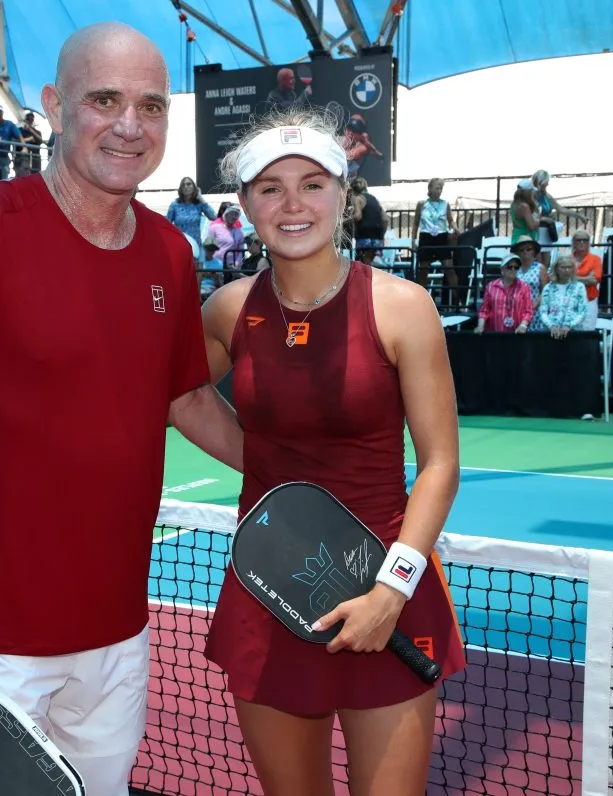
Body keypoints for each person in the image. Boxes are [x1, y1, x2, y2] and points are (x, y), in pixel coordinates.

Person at [0, 22, 243, 796]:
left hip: (119, 633)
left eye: (151, 106)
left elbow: (187, 397)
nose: (130, 126)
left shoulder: (169, 253)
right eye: (105, 100)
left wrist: (294, 474)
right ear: (56, 106)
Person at [200, 107, 465, 796]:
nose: (293, 204)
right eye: (270, 188)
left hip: (388, 593)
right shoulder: (229, 310)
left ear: (344, 196)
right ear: (246, 206)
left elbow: (440, 463)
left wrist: (391, 588)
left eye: (313, 184)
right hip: (267, 594)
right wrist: (268, 473)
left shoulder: (403, 307)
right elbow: (178, 399)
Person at [475, 253, 534, 334]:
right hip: (495, 334)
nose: (513, 269)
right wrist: (480, 326)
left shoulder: (524, 287)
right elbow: (484, 310)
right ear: (502, 269)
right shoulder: (491, 286)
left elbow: (528, 311)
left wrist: (523, 326)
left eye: (516, 267)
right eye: (510, 267)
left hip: (516, 334)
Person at [538, 254, 588, 339]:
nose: (567, 270)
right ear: (556, 269)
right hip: (551, 333)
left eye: (569, 267)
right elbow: (543, 311)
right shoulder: (548, 288)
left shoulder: (579, 287)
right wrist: (551, 326)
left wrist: (569, 325)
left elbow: (583, 312)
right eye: (563, 267)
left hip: (573, 333)